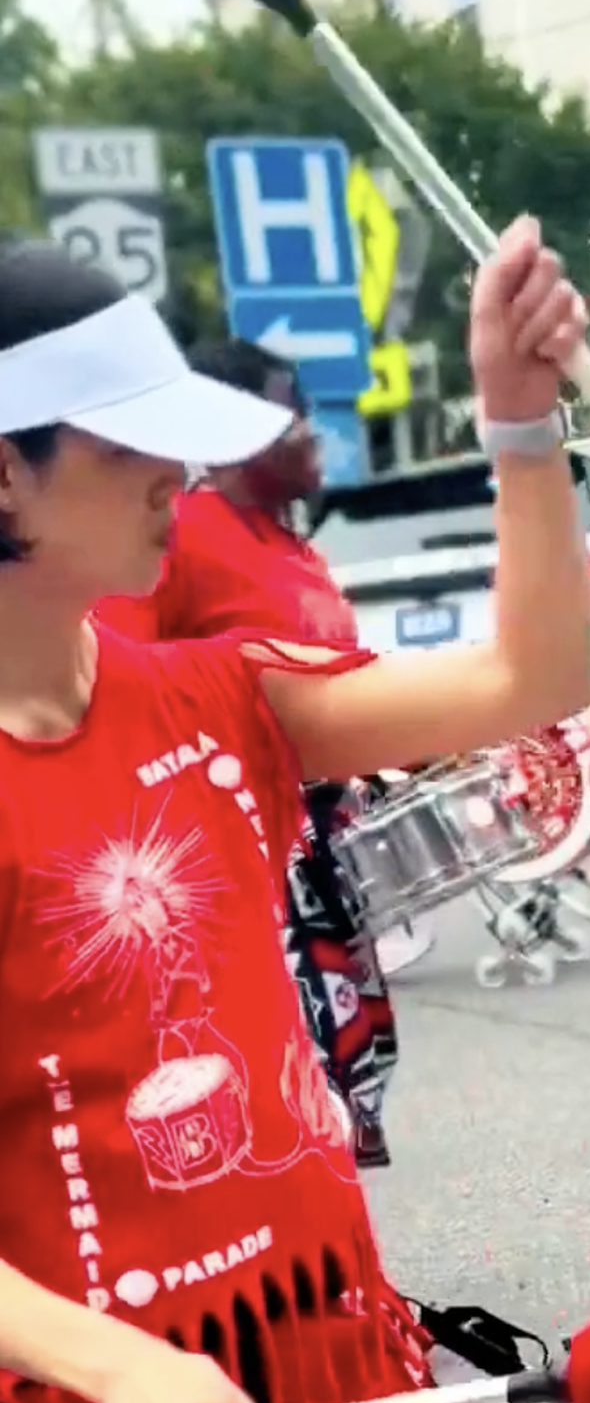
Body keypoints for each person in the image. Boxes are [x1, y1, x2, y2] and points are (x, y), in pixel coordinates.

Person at [0, 218, 590, 1403]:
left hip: (327, 1376)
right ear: (2, 479)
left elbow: (533, 673)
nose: (172, 483)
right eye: (129, 447)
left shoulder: (213, 692)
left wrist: (520, 424)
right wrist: (109, 1359)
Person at [98, 338, 415, 1170]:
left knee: (345, 1086)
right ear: (231, 428)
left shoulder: (293, 548)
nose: (312, 433)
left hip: (322, 836)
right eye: (290, 414)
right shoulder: (183, 534)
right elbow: (117, 675)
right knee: (282, 1090)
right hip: (238, 854)